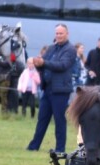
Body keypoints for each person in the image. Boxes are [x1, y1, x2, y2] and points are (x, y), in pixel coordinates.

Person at [27, 23, 76, 153]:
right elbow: (44, 64)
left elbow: (62, 65)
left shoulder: (70, 49)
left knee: (59, 120)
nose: (58, 35)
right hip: (47, 88)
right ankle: (34, 146)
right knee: (42, 119)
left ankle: (60, 149)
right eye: (57, 33)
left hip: (60, 91)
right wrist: (38, 63)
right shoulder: (51, 48)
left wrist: (44, 62)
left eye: (61, 33)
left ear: (67, 34)